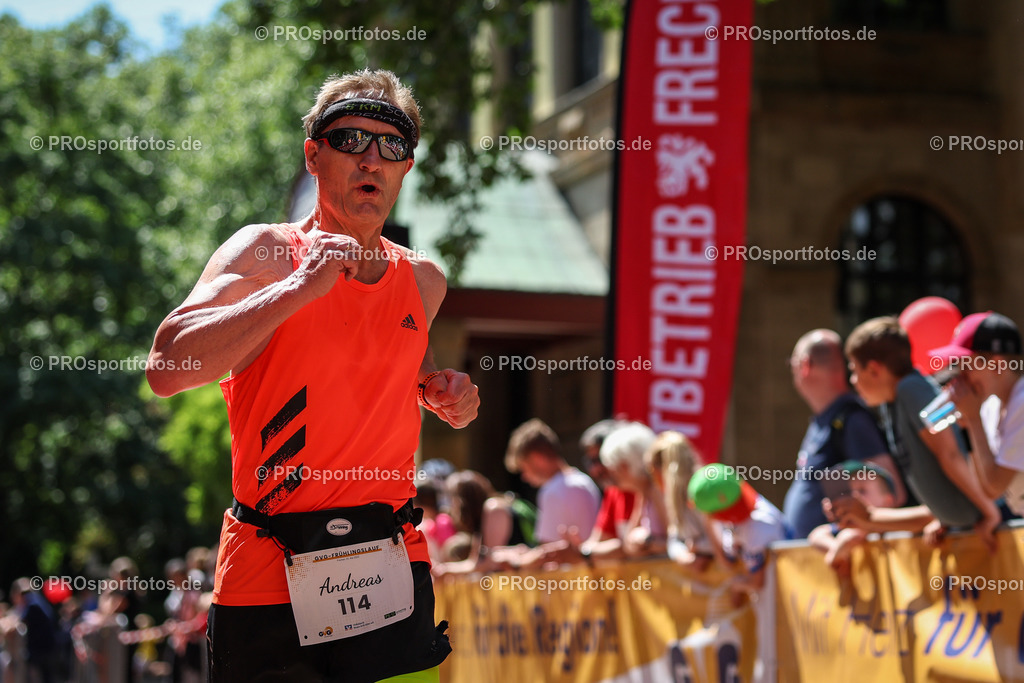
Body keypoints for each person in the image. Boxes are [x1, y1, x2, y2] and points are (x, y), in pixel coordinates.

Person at [146, 69, 480, 682]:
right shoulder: (265, 253)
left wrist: (444, 392)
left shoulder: (422, 280)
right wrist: (298, 287)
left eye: (391, 146)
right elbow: (167, 367)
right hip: (268, 568)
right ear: (313, 155)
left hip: (389, 563)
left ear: (406, 168)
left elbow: (410, 368)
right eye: (350, 140)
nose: (371, 159)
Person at [843, 316, 1000, 546]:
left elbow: (950, 453)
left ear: (875, 369)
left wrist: (989, 511)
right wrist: (942, 517)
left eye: (854, 370)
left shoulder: (912, 390)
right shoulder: (891, 402)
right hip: (968, 525)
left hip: (992, 524)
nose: (853, 381)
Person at [783, 329, 905, 538]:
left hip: (839, 552)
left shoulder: (852, 420)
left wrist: (849, 538)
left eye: (792, 364)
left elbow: (892, 495)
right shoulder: (828, 420)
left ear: (805, 365)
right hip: (818, 552)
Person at [932, 311, 1024, 516]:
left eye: (967, 366)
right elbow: (986, 490)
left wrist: (974, 420)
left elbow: (994, 486)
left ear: (997, 365)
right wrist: (968, 424)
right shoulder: (991, 406)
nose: (960, 378)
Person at [503, 418, 601, 544]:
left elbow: (548, 549)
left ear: (537, 458)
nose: (524, 477)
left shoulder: (553, 490)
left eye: (524, 468)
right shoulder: (584, 481)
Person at [808, 461, 898, 574]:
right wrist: (837, 548)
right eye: (850, 492)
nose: (854, 497)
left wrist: (849, 538)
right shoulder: (851, 526)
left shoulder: (898, 524)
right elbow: (816, 535)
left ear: (888, 501)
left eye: (862, 490)